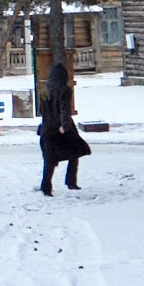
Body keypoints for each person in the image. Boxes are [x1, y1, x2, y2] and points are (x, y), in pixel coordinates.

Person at [38, 59, 92, 195]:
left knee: (49, 160)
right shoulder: (65, 90)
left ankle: (46, 187)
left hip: (47, 128)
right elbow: (64, 109)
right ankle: (71, 181)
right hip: (61, 128)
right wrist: (65, 125)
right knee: (76, 151)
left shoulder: (44, 90)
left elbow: (41, 111)